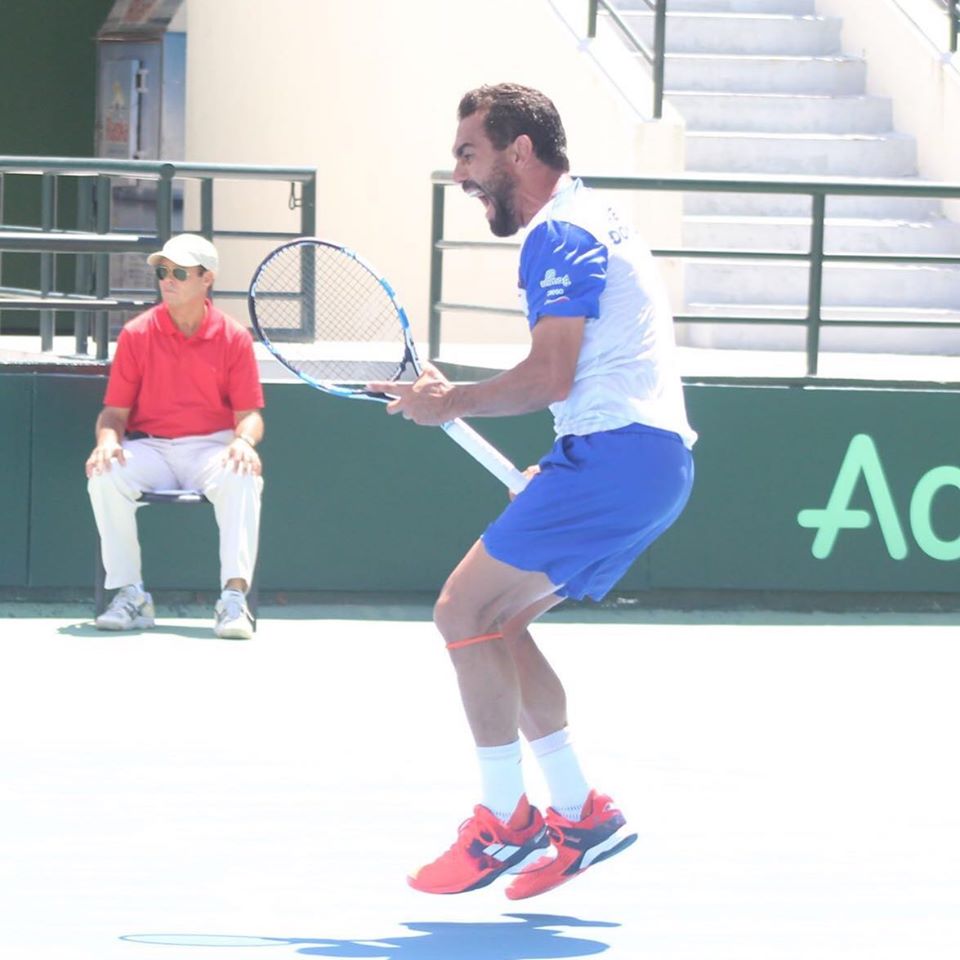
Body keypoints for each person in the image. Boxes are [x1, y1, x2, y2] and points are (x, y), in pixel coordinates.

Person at [367, 83, 697, 899]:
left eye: (469, 154)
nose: (460, 175)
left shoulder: (558, 233)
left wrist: (452, 401)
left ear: (519, 151)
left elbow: (551, 375)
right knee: (500, 624)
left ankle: (505, 823)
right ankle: (581, 814)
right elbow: (577, 377)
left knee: (461, 612)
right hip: (649, 462)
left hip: (618, 458)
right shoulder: (597, 217)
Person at [85, 233, 264, 640]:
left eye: (180, 273)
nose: (168, 279)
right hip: (150, 447)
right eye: (163, 271)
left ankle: (233, 600)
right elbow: (114, 414)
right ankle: (131, 595)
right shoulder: (136, 334)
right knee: (104, 474)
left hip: (212, 449)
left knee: (243, 474)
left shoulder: (234, 337)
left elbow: (250, 416)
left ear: (207, 279)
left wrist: (243, 442)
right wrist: (107, 442)